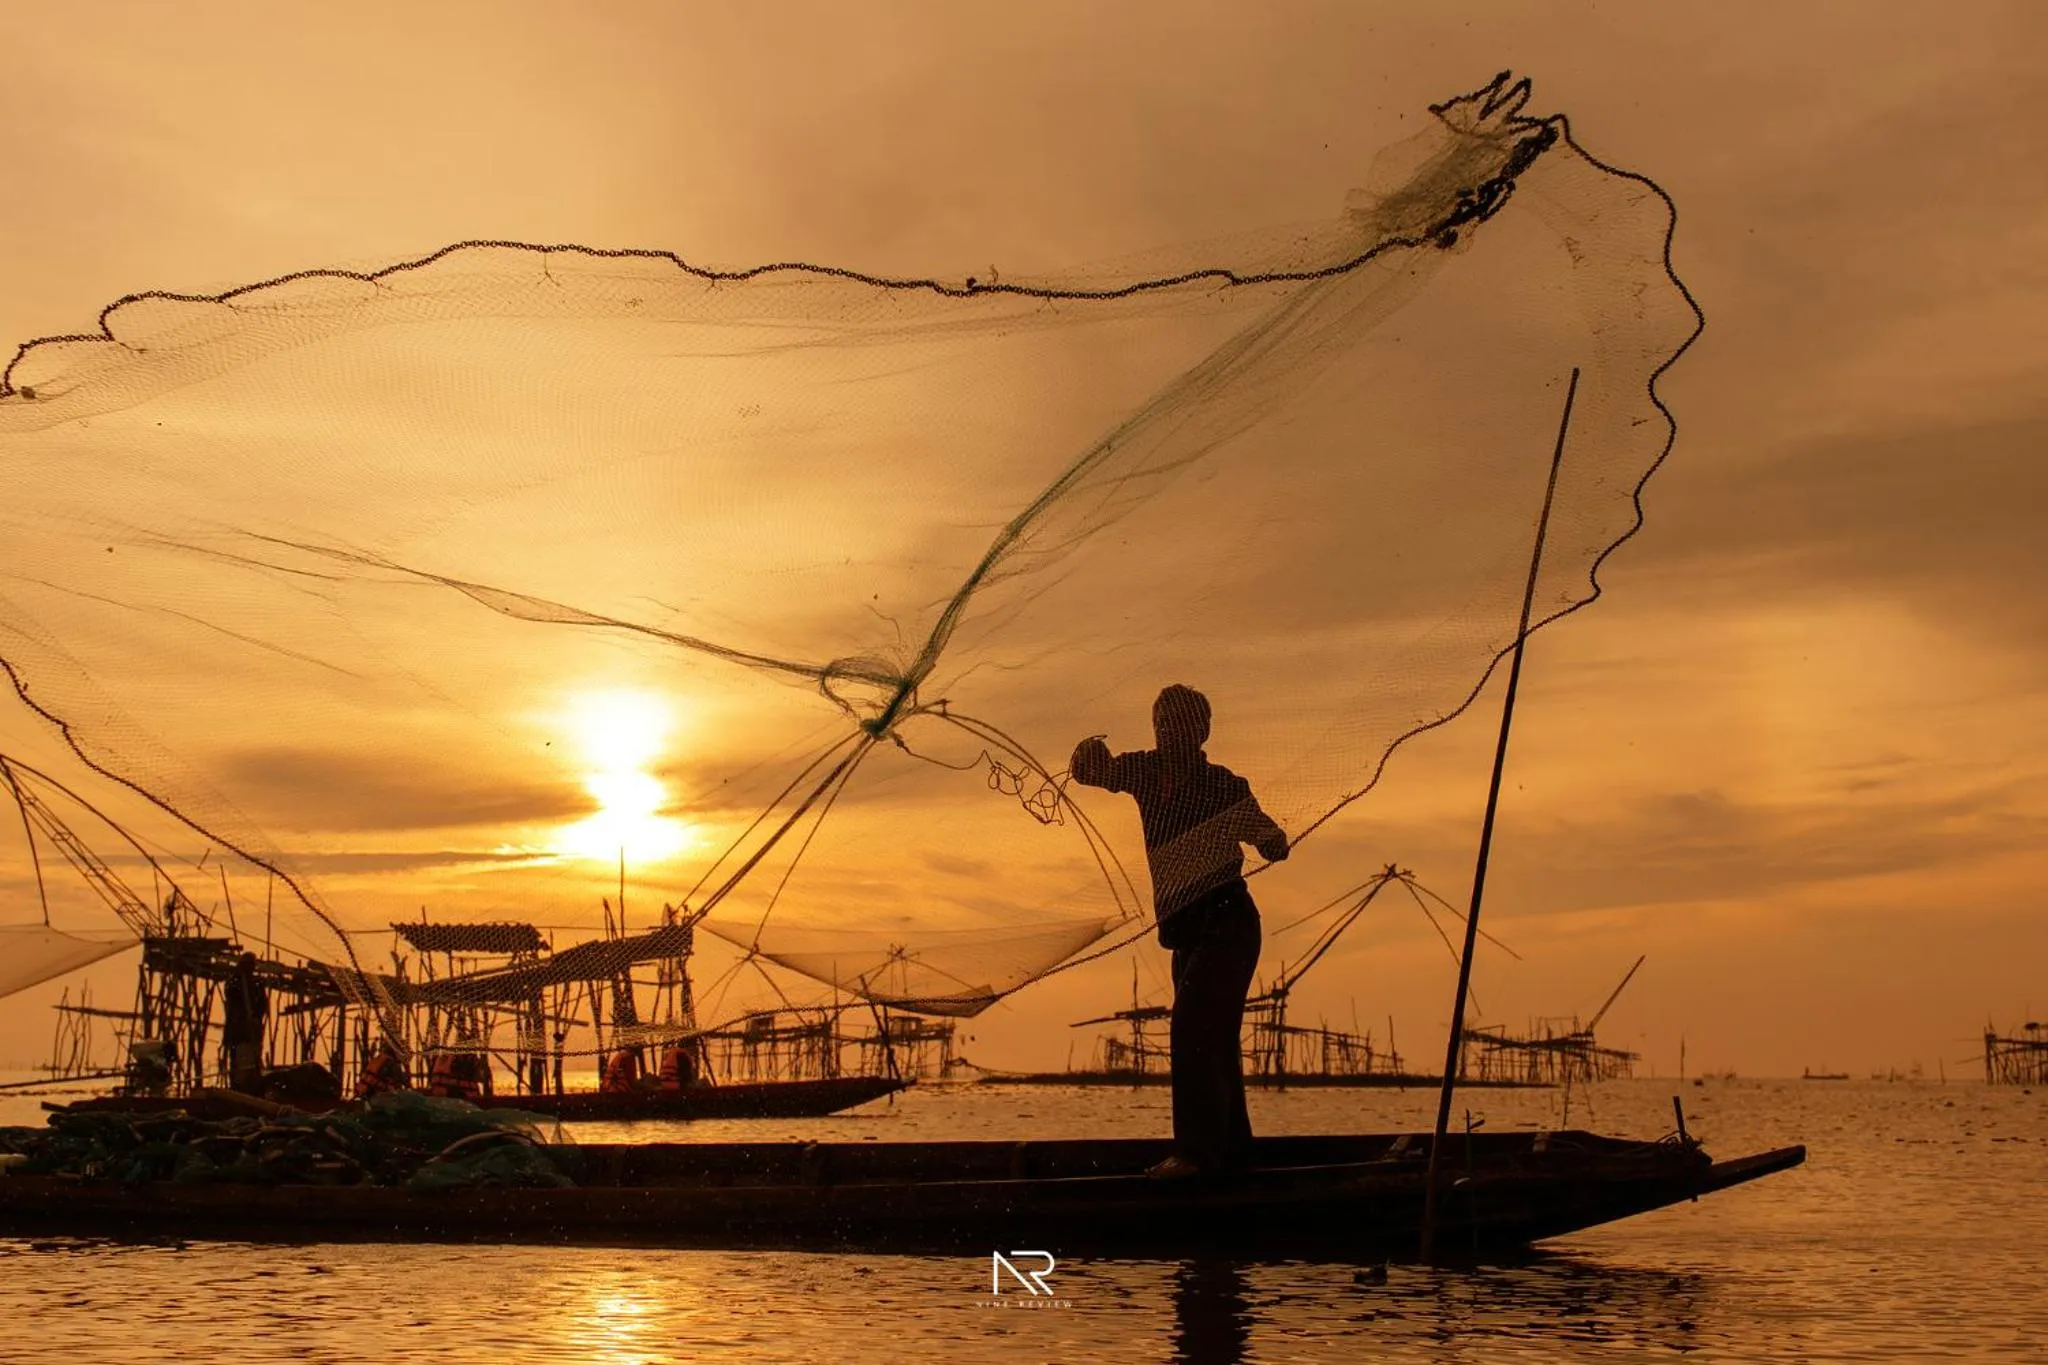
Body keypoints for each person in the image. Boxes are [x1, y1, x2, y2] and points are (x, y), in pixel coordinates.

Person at [1071, 684, 1288, 1178]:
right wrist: (1086, 754)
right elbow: (1091, 772)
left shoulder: (1224, 785)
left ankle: (1195, 1155)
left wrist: (1272, 840)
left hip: (1229, 928)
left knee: (1192, 1031)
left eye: (1179, 723)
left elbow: (1267, 835)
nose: (1168, 731)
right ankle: (1233, 1156)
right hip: (1186, 933)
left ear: (1202, 731)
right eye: (1161, 723)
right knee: (1216, 1042)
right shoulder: (1145, 772)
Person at [220, 951, 270, 1094]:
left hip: (250, 1032)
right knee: (239, 1068)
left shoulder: (257, 984)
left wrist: (254, 1018)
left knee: (250, 1066)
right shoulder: (235, 982)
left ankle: (249, 1090)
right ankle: (238, 1090)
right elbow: (233, 1000)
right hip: (239, 1033)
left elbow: (262, 1006)